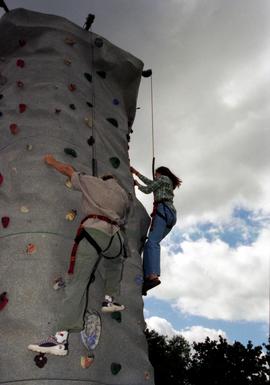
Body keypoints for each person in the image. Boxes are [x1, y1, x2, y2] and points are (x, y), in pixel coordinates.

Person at [28, 154, 129, 356]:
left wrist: (52, 161)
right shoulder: (124, 197)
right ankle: (109, 298)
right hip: (116, 238)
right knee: (115, 260)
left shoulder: (95, 183)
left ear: (104, 179)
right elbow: (123, 217)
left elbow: (68, 170)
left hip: (94, 231)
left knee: (78, 283)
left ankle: (60, 339)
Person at [131, 166, 181, 294]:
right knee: (151, 244)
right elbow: (151, 183)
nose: (155, 176)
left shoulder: (163, 178)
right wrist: (136, 173)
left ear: (160, 173)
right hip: (170, 215)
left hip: (163, 211)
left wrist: (137, 184)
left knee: (152, 243)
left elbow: (148, 189)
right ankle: (149, 275)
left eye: (155, 174)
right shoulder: (166, 181)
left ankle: (152, 275)